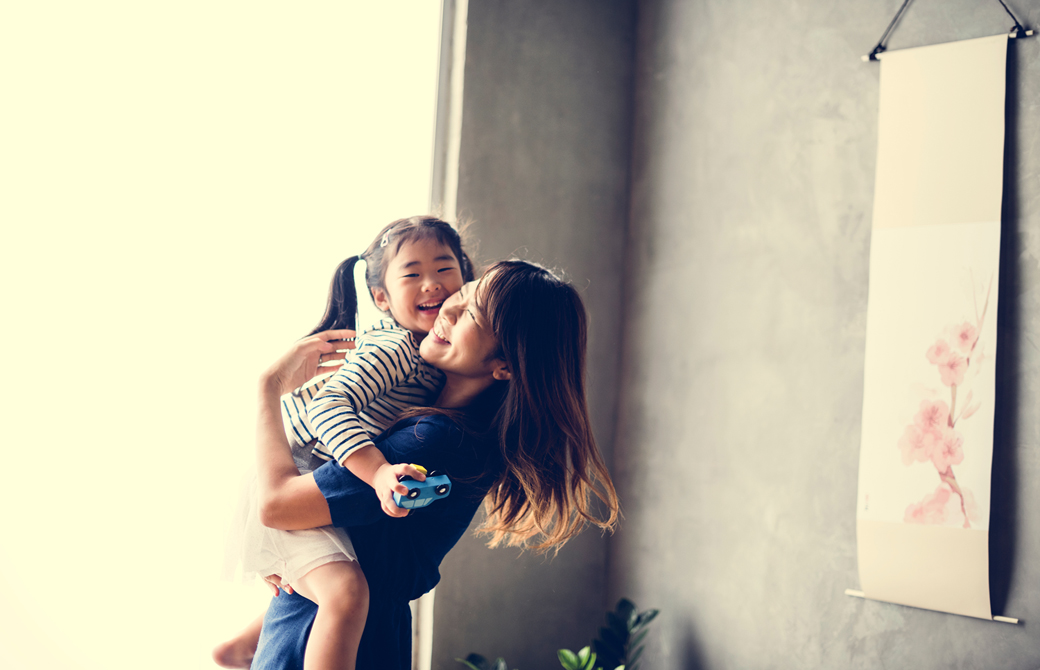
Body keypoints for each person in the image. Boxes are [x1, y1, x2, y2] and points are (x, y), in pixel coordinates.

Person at [239, 260, 621, 669]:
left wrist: (267, 389)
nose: (448, 310)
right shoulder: (453, 433)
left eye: (473, 314)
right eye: (465, 292)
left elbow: (277, 506)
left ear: (506, 366)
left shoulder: (434, 441)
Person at [215, 216, 473, 670]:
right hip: (296, 468)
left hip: (317, 470)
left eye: (444, 268)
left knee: (332, 575)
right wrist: (377, 473)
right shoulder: (396, 348)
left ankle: (239, 647)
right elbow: (329, 406)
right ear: (381, 298)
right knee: (347, 594)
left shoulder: (434, 361)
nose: (431, 283)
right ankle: (239, 647)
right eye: (412, 273)